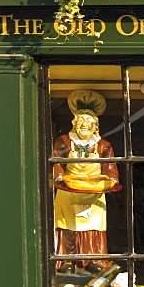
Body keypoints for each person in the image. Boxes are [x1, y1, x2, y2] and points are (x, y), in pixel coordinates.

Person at [53, 90, 119, 273]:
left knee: (93, 226)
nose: (84, 125)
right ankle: (67, 260)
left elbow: (110, 165)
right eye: (81, 121)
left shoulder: (103, 145)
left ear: (95, 126)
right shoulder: (64, 141)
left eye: (88, 122)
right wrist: (59, 176)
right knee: (68, 226)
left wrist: (112, 179)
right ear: (74, 123)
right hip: (68, 189)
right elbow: (57, 162)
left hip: (94, 191)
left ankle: (94, 259)